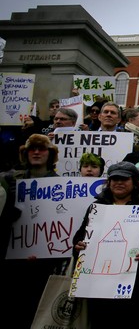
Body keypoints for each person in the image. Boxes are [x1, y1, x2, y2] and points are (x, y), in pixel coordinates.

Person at [72, 161, 139, 329]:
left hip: (138, 285)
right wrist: (78, 246)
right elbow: (80, 235)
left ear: (135, 182)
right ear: (109, 182)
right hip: (100, 287)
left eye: (124, 179)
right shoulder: (97, 207)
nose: (119, 182)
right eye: (115, 179)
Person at [0, 134, 63, 328]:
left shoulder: (60, 183)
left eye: (41, 149)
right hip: (12, 255)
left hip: (44, 259)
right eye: (31, 149)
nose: (36, 152)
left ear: (50, 154)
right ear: (25, 154)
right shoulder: (9, 179)